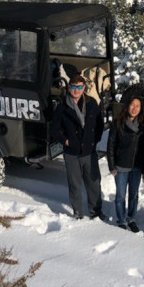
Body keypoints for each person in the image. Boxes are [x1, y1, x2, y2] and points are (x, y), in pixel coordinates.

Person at [50, 73, 105, 221]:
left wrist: (94, 140)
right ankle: (78, 212)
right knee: (75, 184)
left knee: (93, 183)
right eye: (73, 87)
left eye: (79, 87)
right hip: (72, 152)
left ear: (83, 88)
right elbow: (54, 129)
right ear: (69, 88)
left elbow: (100, 123)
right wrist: (65, 141)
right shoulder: (62, 107)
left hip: (89, 151)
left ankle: (96, 212)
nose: (76, 90)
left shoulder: (92, 103)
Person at [106, 96, 144, 232]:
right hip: (121, 165)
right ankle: (121, 220)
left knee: (134, 195)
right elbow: (111, 145)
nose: (134, 108)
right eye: (132, 105)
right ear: (127, 106)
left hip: (137, 166)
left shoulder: (143, 125)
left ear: (141, 109)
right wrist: (112, 166)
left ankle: (131, 218)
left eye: (138, 106)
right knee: (120, 196)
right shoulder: (118, 123)